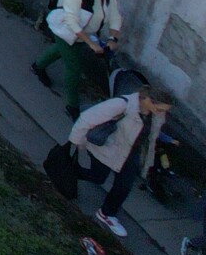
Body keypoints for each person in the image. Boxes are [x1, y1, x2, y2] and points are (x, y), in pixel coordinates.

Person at [67, 85, 173, 238]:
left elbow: (151, 139)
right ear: (148, 100)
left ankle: (107, 213)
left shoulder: (156, 115)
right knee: (98, 177)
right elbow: (87, 118)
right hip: (108, 148)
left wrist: (147, 163)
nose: (162, 113)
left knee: (124, 185)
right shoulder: (122, 105)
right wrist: (77, 141)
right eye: (161, 109)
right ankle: (67, 171)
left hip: (131, 153)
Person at [32, 0, 121, 119]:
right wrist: (91, 44)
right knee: (74, 68)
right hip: (65, 31)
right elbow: (72, 23)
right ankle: (72, 106)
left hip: (82, 36)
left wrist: (113, 38)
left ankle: (38, 66)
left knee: (60, 51)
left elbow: (115, 16)